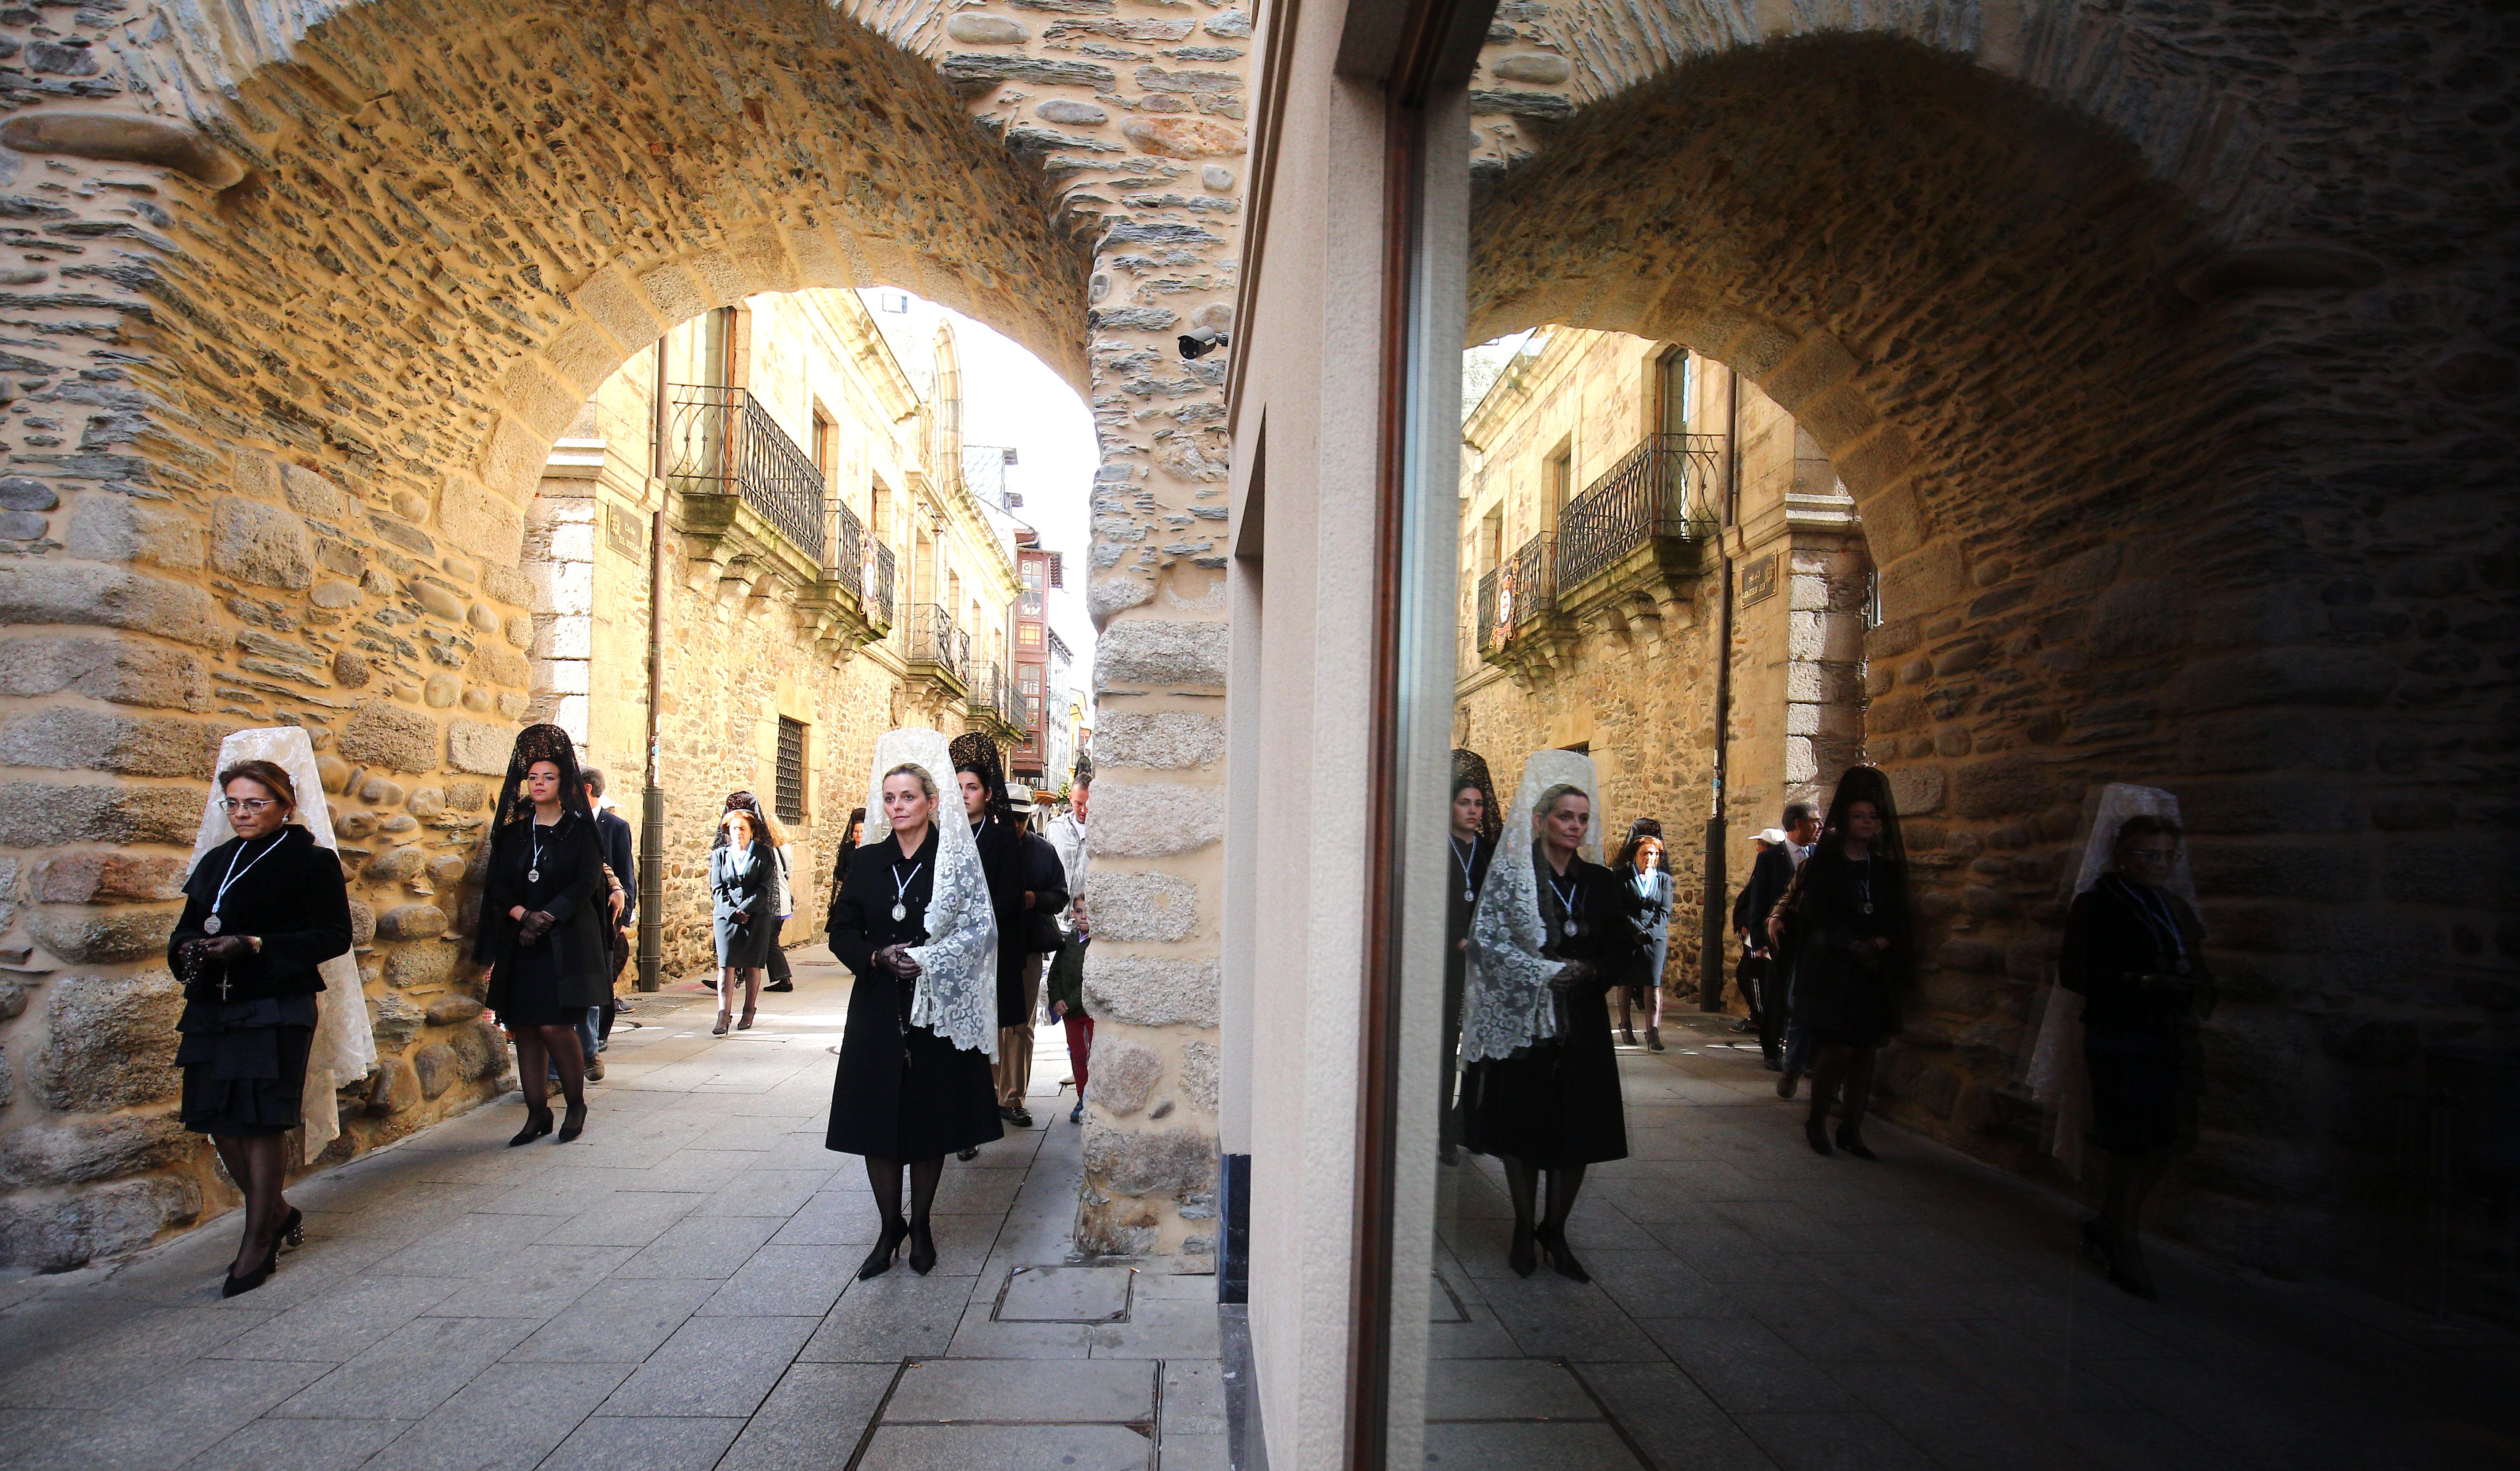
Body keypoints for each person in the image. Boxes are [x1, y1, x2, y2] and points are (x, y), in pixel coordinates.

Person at [169, 752, 354, 1296]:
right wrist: (191, 948)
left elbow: (332, 937)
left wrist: (254, 944)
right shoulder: (218, 861)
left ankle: (257, 1240)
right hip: (212, 1006)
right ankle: (274, 1210)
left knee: (262, 1120)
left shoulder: (310, 862)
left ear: (285, 805)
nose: (243, 813)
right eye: (234, 804)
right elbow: (182, 932)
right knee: (218, 1116)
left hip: (276, 1003)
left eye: (255, 803)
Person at [825, 729, 1004, 1277]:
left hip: (933, 1012)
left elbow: (981, 930)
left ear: (931, 801)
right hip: (879, 1005)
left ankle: (921, 1225)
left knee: (927, 1121)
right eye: (889, 798)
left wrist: (928, 960)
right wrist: (877, 956)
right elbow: (840, 928)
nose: (897, 807)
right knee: (876, 1122)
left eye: (907, 797)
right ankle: (888, 1228)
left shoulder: (953, 860)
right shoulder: (868, 860)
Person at [1458, 751, 1641, 1282]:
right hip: (1528, 1024)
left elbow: (1621, 947)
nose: (1575, 827)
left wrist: (1588, 971)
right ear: (1540, 820)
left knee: (1578, 1128)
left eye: (1583, 818)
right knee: (1526, 1128)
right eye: (1565, 816)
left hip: (1580, 1020)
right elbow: (1487, 942)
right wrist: (1537, 973)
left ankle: (1555, 1230)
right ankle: (1522, 1227)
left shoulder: (1599, 881)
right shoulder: (1514, 876)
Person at [2062, 808, 2213, 1300]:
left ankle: (2109, 1223)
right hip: (2118, 1033)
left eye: (2167, 856)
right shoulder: (2099, 903)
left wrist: (2186, 988)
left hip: (2161, 1034)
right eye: (2149, 854)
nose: (2158, 864)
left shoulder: (2169, 906)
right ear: (2123, 856)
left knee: (2160, 1140)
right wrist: (2141, 982)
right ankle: (2122, 1240)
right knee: (2126, 1143)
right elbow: (2077, 972)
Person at [475, 724, 610, 1147]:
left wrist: (548, 916)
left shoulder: (579, 830)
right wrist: (521, 915)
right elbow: (497, 882)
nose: (538, 784)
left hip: (564, 942)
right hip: (522, 943)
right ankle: (536, 1113)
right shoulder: (515, 832)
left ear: (564, 783)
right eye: (532, 777)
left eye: (548, 777)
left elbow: (587, 881)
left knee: (555, 1027)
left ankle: (574, 1104)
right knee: (526, 1028)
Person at [1768, 769, 1910, 1159]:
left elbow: (1896, 914)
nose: (1867, 822)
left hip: (1872, 969)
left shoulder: (1881, 868)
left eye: (1872, 816)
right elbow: (1816, 914)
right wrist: (1850, 943)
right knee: (1839, 1047)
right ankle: (1816, 1119)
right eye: (1859, 816)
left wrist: (1878, 942)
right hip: (1834, 968)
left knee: (1865, 1049)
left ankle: (1852, 1127)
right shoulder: (1825, 867)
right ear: (1843, 822)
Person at [951, 733, 1062, 1135]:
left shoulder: (1040, 851)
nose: (1015, 823)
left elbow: (1058, 895)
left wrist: (1032, 899)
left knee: (1017, 1026)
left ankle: (1012, 1097)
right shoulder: (960, 840)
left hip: (1023, 947)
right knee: (979, 1023)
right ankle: (983, 1096)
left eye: (1021, 818)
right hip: (973, 951)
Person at [1442, 750, 1501, 1160]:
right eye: (1464, 802)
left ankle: (1471, 1127)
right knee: (1443, 1047)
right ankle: (1438, 1131)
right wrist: (1458, 939)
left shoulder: (1487, 853)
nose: (1473, 810)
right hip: (1445, 964)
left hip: (1482, 967)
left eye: (1478, 803)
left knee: (1479, 1048)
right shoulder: (1435, 847)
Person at [1744, 802, 1817, 1078]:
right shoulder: (1771, 858)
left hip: (1807, 938)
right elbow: (1759, 900)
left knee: (1802, 996)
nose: (1819, 826)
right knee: (1776, 994)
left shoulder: (1818, 855)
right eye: (1814, 820)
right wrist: (1760, 941)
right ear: (1798, 824)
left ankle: (1801, 1052)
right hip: (1778, 938)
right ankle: (1771, 1051)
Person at [579, 766, 635, 1081]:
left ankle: (598, 1037)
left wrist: (624, 919)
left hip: (608, 915)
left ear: (586, 789)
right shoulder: (571, 822)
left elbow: (625, 873)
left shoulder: (614, 826)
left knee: (602, 977)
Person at [1045, 772, 1093, 1123]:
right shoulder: (1055, 830)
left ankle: (1089, 1087)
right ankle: (1077, 1076)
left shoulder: (1102, 828)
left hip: (1089, 919)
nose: (1083, 811)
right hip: (1063, 921)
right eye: (1078, 804)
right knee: (1064, 975)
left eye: (1088, 805)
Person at [716, 793, 797, 992]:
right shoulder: (782, 848)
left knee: (769, 942)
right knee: (768, 942)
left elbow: (766, 882)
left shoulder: (767, 852)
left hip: (768, 902)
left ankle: (784, 979)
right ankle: (739, 975)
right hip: (776, 900)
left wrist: (746, 908)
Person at [710, 809, 776, 1034]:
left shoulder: (764, 854)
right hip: (726, 916)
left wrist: (746, 910)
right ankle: (723, 1014)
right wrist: (732, 912)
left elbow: (764, 887)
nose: (737, 833)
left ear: (752, 832)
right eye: (733, 828)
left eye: (742, 829)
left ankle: (749, 1010)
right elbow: (717, 888)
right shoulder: (720, 855)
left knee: (752, 964)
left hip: (756, 916)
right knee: (726, 965)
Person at [1612, 819, 1673, 1052]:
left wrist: (1651, 933)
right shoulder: (1622, 877)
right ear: (1635, 855)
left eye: (1654, 854)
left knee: (1653, 985)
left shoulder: (1664, 880)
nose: (1650, 858)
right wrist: (1637, 930)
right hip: (1628, 936)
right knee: (1626, 982)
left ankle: (1653, 1032)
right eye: (1645, 853)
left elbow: (1665, 911)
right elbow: (1619, 908)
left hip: (1654, 939)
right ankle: (1626, 1026)